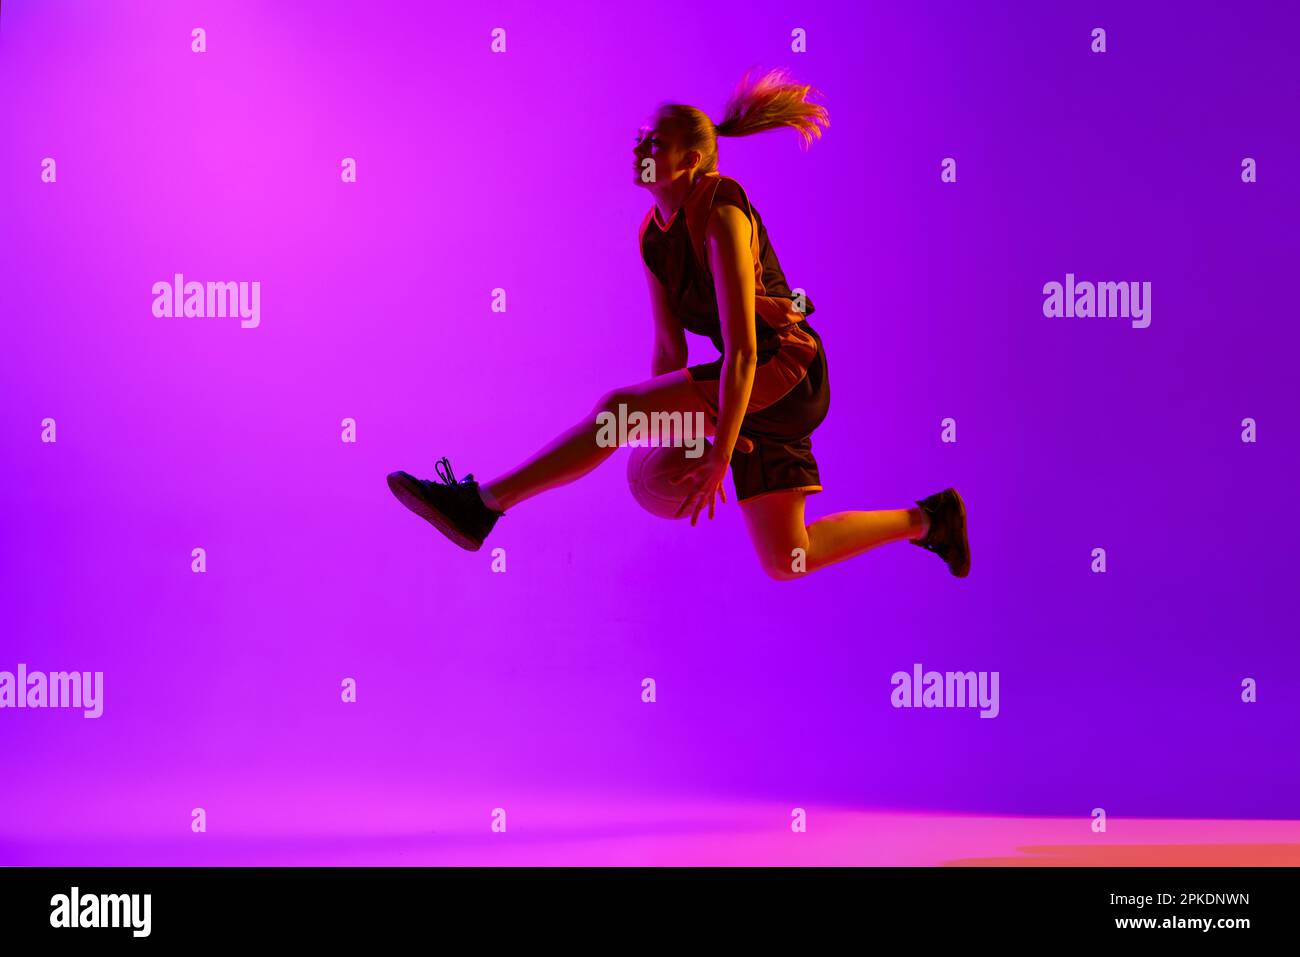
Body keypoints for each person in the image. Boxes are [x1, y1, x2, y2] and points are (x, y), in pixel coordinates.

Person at [387, 67, 970, 580]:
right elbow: (669, 350)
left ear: (690, 160)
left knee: (616, 410)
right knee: (786, 559)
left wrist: (713, 453)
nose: (639, 143)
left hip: (785, 371)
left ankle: (481, 505)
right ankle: (931, 519)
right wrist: (665, 429)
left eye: (653, 139)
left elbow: (742, 350)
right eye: (639, 136)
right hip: (749, 387)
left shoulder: (720, 213)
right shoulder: (650, 236)